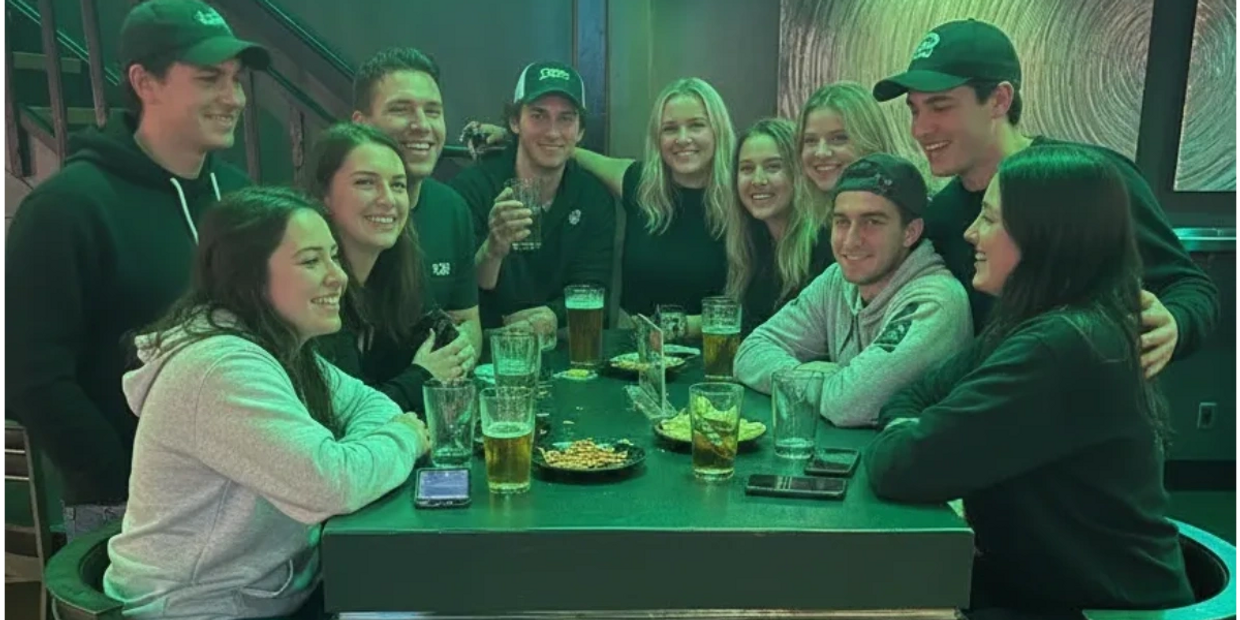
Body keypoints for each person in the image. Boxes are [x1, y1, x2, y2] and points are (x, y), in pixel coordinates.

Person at [865, 145, 1194, 613]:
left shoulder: (1063, 345)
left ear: (1046, 236)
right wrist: (914, 432)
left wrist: (915, 436)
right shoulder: (1034, 324)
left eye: (992, 220)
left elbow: (903, 467)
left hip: (1090, 608)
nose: (970, 233)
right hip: (1036, 588)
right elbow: (910, 398)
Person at [2, 0, 267, 539]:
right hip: (124, 507)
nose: (233, 98)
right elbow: (32, 376)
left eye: (237, 80)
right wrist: (119, 479)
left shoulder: (240, 196)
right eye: (210, 78)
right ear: (145, 82)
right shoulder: (66, 209)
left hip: (249, 487)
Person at [103, 186, 430, 618]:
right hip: (199, 609)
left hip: (274, 598)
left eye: (334, 256)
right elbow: (331, 483)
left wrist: (375, 439)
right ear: (251, 277)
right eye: (312, 261)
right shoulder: (221, 368)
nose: (339, 277)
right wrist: (404, 437)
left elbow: (372, 407)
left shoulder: (278, 347)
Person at [873, 18, 1218, 378]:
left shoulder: (1087, 180)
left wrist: (1176, 323)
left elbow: (1190, 286)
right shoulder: (941, 217)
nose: (920, 129)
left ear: (999, 100)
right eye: (914, 110)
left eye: (940, 106)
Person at [463, 76, 736, 333]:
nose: (683, 138)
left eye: (697, 125)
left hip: (716, 351)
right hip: (636, 354)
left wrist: (680, 327)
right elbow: (564, 148)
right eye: (670, 128)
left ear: (718, 130)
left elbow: (761, 309)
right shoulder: (641, 184)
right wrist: (523, 137)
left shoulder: (742, 198)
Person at [734, 154, 971, 427]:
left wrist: (813, 382)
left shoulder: (935, 302)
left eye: (872, 221)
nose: (850, 240)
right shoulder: (838, 278)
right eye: (842, 221)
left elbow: (846, 404)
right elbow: (750, 352)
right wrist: (807, 374)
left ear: (910, 232)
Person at [306, 122, 475, 414]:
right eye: (366, 183)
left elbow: (439, 346)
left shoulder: (397, 271)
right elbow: (344, 419)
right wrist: (422, 377)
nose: (387, 200)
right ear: (325, 195)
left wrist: (454, 350)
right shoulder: (313, 287)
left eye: (398, 185)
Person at [449, 61, 615, 333]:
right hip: (488, 352)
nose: (552, 132)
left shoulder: (592, 197)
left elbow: (595, 290)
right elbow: (461, 293)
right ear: (515, 121)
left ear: (580, 131)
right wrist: (492, 249)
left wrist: (552, 315)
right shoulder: (474, 189)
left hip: (565, 354)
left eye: (566, 118)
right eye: (538, 116)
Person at [351, 47, 482, 357]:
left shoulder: (452, 208)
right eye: (401, 109)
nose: (422, 124)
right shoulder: (327, 216)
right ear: (360, 124)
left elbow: (468, 322)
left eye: (433, 111)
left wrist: (463, 352)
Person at [724, 118, 833, 334]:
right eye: (746, 169)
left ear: (799, 174)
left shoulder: (825, 246)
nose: (758, 179)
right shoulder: (752, 245)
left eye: (773, 167)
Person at [797, 81, 910, 221]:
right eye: (811, 141)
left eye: (839, 138)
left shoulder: (913, 214)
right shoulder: (807, 225)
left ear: (871, 141)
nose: (821, 152)